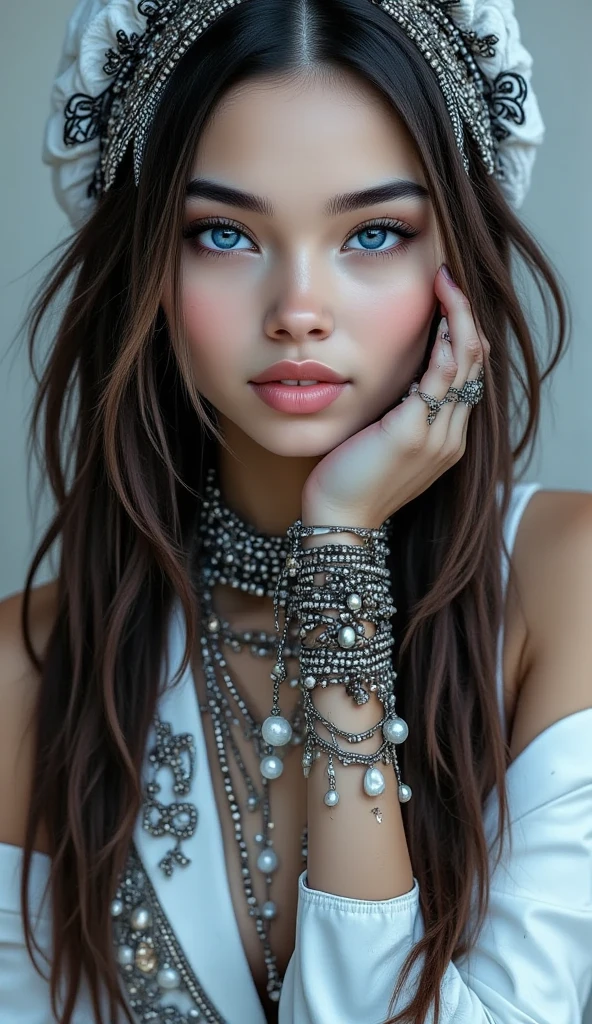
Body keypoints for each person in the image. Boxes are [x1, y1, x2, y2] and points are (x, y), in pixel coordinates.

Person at [1, 0, 591, 1022]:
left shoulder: (566, 580)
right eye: (223, 232)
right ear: (146, 259)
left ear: (456, 257)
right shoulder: (24, 672)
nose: (298, 309)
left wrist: (339, 558)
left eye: (374, 232)